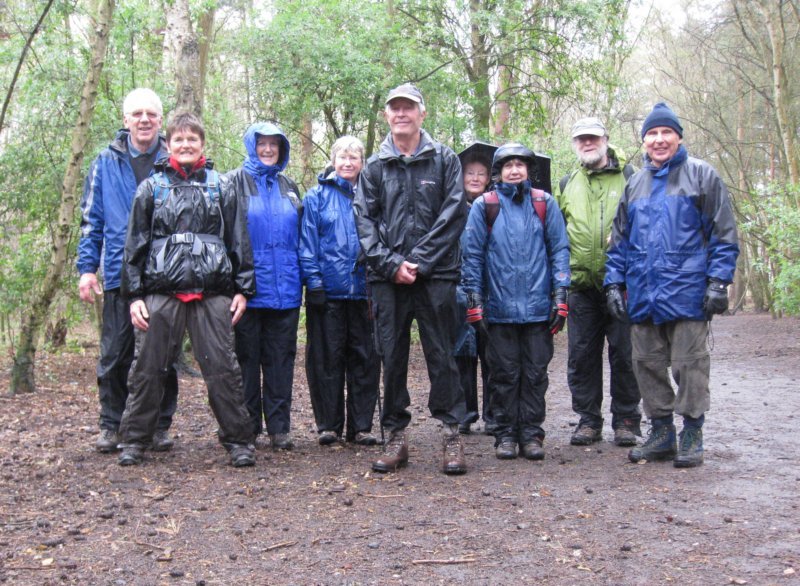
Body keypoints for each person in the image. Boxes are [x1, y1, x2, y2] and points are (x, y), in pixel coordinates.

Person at [604, 102, 739, 468]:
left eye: (666, 132)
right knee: (646, 364)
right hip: (644, 293)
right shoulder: (635, 184)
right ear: (644, 140)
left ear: (679, 137)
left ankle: (692, 431)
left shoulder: (702, 176)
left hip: (688, 292)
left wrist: (718, 282)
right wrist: (614, 284)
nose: (659, 139)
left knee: (689, 365)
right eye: (652, 133)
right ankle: (661, 432)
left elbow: (724, 235)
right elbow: (619, 241)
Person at [118, 111, 256, 467]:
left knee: (224, 369)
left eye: (192, 139)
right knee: (147, 368)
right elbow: (135, 245)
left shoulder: (221, 186)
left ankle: (239, 441)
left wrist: (243, 289)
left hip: (212, 293)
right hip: (161, 293)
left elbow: (238, 240)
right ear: (169, 144)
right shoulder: (151, 188)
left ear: (202, 145)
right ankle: (135, 439)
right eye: (178, 139)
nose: (185, 145)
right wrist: (134, 296)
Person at [354, 83, 468, 475]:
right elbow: (364, 223)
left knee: (443, 354)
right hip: (388, 280)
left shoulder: (445, 160)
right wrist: (391, 265)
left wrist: (417, 261)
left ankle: (452, 434)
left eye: (409, 108)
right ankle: (395, 437)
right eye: (395, 108)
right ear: (386, 115)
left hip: (436, 275)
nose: (401, 114)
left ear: (422, 112)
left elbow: (453, 214)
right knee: (392, 356)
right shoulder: (374, 167)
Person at [77, 88, 178, 454]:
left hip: (165, 274)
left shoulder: (173, 160)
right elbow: (92, 221)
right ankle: (111, 423)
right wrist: (87, 269)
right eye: (137, 114)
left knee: (162, 355)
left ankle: (158, 425)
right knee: (116, 352)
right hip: (120, 272)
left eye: (151, 114)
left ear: (160, 121)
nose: (144, 120)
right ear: (126, 120)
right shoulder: (105, 162)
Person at [461, 143, 571, 461]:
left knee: (535, 373)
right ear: (498, 172)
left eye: (520, 165)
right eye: (507, 165)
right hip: (499, 309)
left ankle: (531, 433)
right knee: (503, 374)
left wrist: (561, 294)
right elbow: (472, 257)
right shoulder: (486, 205)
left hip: (538, 309)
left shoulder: (544, 203)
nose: (514, 170)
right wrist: (474, 300)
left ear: (528, 170)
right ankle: (505, 434)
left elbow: (559, 250)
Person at [556, 117, 642, 448]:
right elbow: (558, 233)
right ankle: (588, 419)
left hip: (621, 283)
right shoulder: (566, 183)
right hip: (580, 285)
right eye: (581, 139)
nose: (587, 143)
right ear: (575, 144)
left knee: (625, 353)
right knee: (581, 355)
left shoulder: (632, 177)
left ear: (605, 139)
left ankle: (627, 420)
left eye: (592, 137)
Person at [299, 136, 380, 446]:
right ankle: (329, 425)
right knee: (326, 360)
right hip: (328, 293)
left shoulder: (372, 197)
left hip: (365, 293)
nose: (348, 163)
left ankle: (361, 426)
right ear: (333, 161)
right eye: (342, 157)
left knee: (365, 360)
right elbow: (307, 244)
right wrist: (315, 283)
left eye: (354, 157)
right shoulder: (316, 197)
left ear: (362, 162)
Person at [226, 122, 303, 450]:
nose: (268, 149)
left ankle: (279, 427)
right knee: (246, 361)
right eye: (262, 143)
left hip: (286, 291)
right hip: (246, 292)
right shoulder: (233, 184)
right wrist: (230, 285)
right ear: (251, 145)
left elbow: (301, 237)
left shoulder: (289, 186)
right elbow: (225, 237)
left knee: (281, 362)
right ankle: (247, 427)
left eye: (274, 144)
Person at [454, 142, 496, 435]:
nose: (475, 178)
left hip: (491, 289)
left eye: (481, 173)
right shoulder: (451, 208)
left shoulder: (496, 207)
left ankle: (494, 415)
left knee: (491, 353)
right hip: (458, 289)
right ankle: (465, 413)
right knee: (462, 353)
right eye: (470, 172)